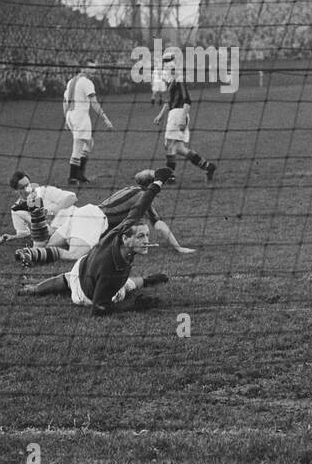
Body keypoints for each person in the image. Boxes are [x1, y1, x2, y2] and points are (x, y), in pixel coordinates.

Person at [17, 170, 175, 316]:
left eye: (146, 235)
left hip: (84, 224)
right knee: (115, 282)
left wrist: (158, 182)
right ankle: (34, 255)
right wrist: (135, 306)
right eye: (141, 236)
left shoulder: (117, 228)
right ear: (125, 238)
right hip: (86, 291)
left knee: (53, 253)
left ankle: (33, 260)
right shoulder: (111, 268)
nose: (147, 241)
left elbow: (138, 211)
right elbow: (99, 308)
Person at [13, 169, 196, 264]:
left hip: (84, 212)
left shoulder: (130, 189)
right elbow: (159, 224)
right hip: (94, 219)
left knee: (47, 245)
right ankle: (31, 250)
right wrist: (178, 247)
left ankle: (31, 246)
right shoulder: (143, 197)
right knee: (75, 255)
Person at [152, 56, 217, 181]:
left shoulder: (180, 79)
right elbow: (168, 101)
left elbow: (187, 100)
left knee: (170, 145)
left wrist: (182, 118)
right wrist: (160, 115)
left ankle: (170, 176)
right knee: (179, 149)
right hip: (174, 114)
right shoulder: (172, 82)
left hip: (179, 114)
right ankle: (208, 166)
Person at [63, 61, 113, 185]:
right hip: (80, 115)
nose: (94, 71)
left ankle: (79, 175)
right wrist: (105, 118)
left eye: (95, 68)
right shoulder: (87, 82)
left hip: (71, 115)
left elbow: (64, 101)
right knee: (78, 146)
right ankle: (73, 178)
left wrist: (66, 118)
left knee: (89, 143)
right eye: (91, 68)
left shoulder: (71, 81)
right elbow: (94, 102)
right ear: (83, 68)